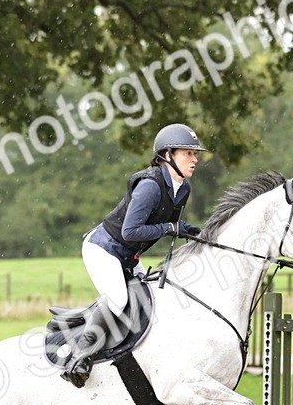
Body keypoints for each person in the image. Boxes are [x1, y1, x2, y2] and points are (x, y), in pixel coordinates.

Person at [82, 123, 207, 319]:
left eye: (195, 154)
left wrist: (198, 233)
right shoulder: (149, 186)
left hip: (129, 256)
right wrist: (169, 227)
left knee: (148, 302)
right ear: (168, 155)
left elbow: (171, 227)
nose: (195, 159)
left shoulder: (183, 189)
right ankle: (84, 348)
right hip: (104, 249)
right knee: (119, 302)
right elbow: (130, 232)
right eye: (188, 154)